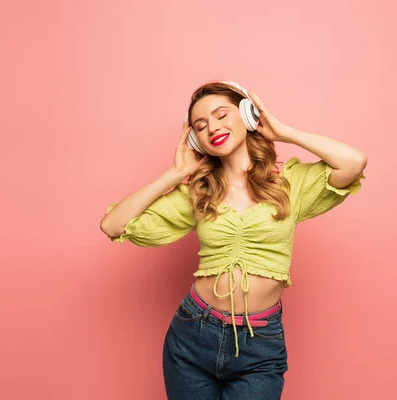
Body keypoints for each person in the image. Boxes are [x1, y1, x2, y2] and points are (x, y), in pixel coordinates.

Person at [99, 80, 367, 399]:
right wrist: (175, 173)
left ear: (248, 115)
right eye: (201, 125)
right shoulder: (199, 193)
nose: (213, 127)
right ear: (196, 140)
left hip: (260, 343)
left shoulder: (291, 185)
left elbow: (353, 162)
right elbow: (113, 225)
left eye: (222, 114)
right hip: (192, 334)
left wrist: (283, 132)